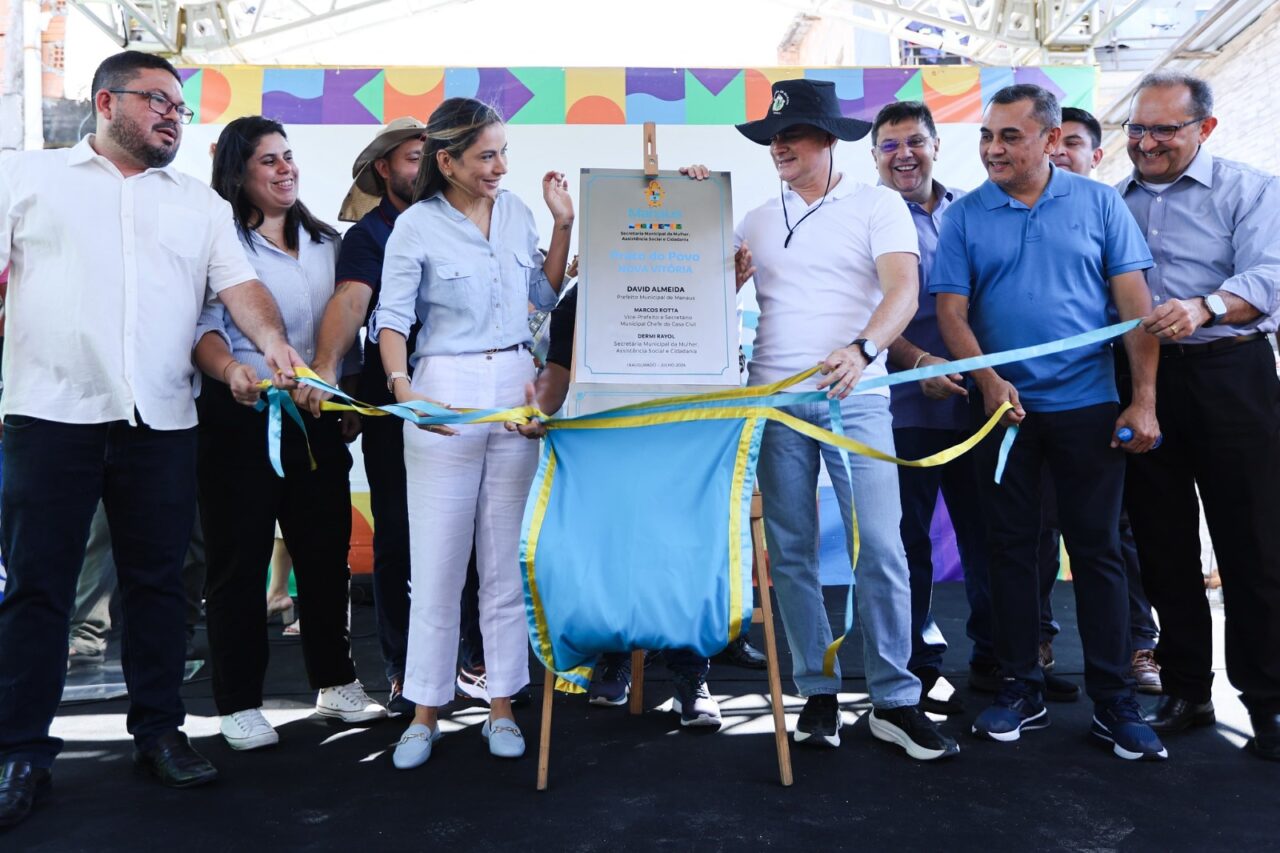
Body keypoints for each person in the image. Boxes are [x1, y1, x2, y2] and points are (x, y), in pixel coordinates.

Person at [0, 50, 306, 829]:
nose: (174, 114)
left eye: (181, 105)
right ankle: (21, 751)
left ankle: (160, 731)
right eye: (158, 100)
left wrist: (270, 343)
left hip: (162, 423)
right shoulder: (28, 178)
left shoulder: (197, 206)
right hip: (49, 418)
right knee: (36, 592)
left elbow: (238, 289)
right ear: (106, 102)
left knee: (160, 587)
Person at [690, 78, 958, 761]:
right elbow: (698, 290)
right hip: (774, 399)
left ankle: (896, 699)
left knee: (884, 546)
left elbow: (904, 288)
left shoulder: (877, 206)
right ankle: (818, 691)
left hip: (858, 395)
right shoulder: (750, 218)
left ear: (830, 139)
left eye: (793, 133)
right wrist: (694, 203)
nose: (779, 144)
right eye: (773, 135)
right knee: (792, 551)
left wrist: (864, 349)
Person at [932, 84, 1166, 760]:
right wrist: (988, 380)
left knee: (1097, 553)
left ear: (1046, 137)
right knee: (1010, 550)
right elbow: (952, 312)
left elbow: (1135, 306)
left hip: (1089, 408)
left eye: (1008, 136)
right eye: (986, 136)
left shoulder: (1096, 203)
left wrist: (1143, 398)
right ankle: (1019, 687)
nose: (992, 149)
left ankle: (1115, 701)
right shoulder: (967, 215)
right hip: (1003, 413)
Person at [369, 97, 572, 769]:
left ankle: (503, 703)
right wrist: (405, 391)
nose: (501, 166)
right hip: (442, 392)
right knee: (436, 563)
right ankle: (425, 710)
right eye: (486, 155)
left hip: (515, 388)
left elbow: (541, 299)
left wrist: (563, 225)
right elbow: (391, 322)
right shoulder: (415, 228)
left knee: (503, 563)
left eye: (504, 152)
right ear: (447, 160)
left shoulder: (515, 212)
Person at [195, 115, 386, 753]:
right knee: (239, 563)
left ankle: (336, 683)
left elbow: (347, 336)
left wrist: (348, 401)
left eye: (288, 157)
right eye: (268, 162)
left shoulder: (328, 244)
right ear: (238, 175)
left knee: (325, 556)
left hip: (317, 420)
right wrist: (231, 374)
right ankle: (239, 703)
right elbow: (203, 333)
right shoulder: (219, 245)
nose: (285, 170)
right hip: (237, 420)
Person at [295, 118, 490, 716]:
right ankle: (407, 671)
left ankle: (475, 664)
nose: (425, 167)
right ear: (385, 169)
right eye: (414, 158)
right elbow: (352, 301)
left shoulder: (465, 221)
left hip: (466, 405)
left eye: (433, 157)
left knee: (476, 541)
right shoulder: (369, 237)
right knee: (402, 542)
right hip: (395, 411)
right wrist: (329, 370)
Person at [1114, 71, 1280, 761]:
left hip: (1230, 372)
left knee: (1255, 539)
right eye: (1136, 129)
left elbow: (1269, 277)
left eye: (1163, 130)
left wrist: (1206, 305)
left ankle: (1268, 701)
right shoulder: (1109, 201)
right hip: (1142, 380)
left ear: (1204, 129)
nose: (1145, 143)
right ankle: (1186, 688)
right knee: (1161, 540)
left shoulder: (1250, 189)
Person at [511, 272, 724, 727]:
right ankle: (613, 656)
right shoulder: (578, 299)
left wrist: (728, 286)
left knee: (681, 553)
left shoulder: (700, 277)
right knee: (612, 550)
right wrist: (536, 410)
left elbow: (717, 358)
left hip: (679, 447)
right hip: (606, 452)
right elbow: (558, 375)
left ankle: (690, 673)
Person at [868, 100, 981, 717]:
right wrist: (917, 364)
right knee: (907, 542)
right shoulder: (864, 216)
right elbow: (873, 310)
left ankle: (997, 662)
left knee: (988, 537)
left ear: (936, 143)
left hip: (980, 406)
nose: (904, 154)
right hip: (904, 408)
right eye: (889, 144)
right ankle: (914, 668)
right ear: (874, 154)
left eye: (915, 141)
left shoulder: (973, 210)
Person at [1045, 105, 1162, 695]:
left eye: (1073, 143)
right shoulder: (1013, 214)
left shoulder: (1108, 208)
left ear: (1096, 154)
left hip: (1124, 379)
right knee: (1037, 524)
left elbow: (1134, 307)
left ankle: (1139, 647)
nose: (1059, 151)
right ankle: (1036, 642)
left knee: (1119, 529)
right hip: (1050, 397)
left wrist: (1142, 397)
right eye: (1052, 141)